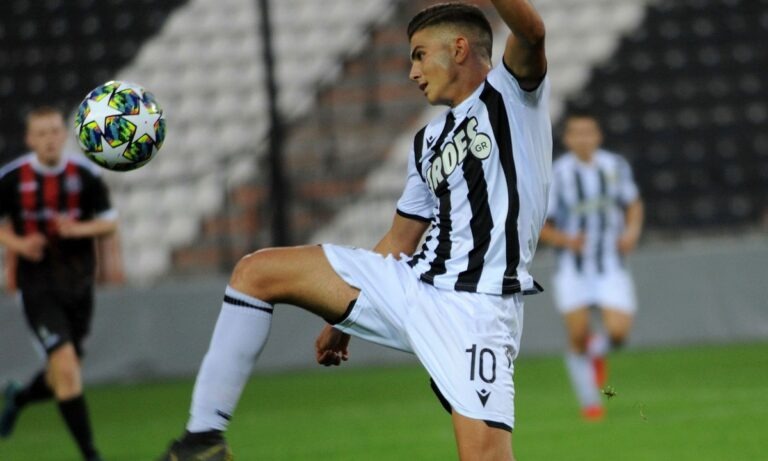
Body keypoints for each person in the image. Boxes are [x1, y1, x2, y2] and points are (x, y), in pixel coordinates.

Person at [159, 1, 550, 460]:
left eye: (420, 55)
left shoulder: (512, 96)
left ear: (459, 48)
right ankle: (202, 441)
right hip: (411, 284)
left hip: (476, 308)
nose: (412, 71)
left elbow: (532, 32)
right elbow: (401, 240)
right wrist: (342, 319)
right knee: (256, 272)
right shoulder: (427, 142)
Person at [0, 106, 118, 461]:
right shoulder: (11, 178)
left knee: (64, 375)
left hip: (78, 285)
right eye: (42, 133)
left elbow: (109, 223)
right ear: (30, 139)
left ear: (64, 135)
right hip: (37, 286)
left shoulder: (86, 175)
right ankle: (91, 454)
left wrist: (78, 229)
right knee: (66, 368)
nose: (49, 139)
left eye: (54, 131)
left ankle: (19, 397)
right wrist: (19, 245)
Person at [539, 113, 643, 420]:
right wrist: (566, 240)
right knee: (578, 334)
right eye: (577, 133)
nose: (584, 138)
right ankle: (591, 404)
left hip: (610, 263)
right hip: (573, 268)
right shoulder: (558, 174)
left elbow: (633, 203)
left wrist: (631, 232)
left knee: (619, 333)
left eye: (589, 132)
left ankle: (597, 350)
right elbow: (540, 224)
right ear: (567, 139)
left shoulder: (615, 166)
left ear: (598, 136)